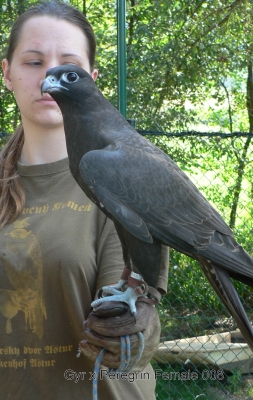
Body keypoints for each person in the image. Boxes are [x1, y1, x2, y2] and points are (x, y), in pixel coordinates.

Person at [0, 1, 168, 399]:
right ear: (6, 73)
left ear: (91, 79)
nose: (48, 76)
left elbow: (139, 303)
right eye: (33, 62)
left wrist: (133, 331)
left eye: (67, 67)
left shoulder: (118, 168)